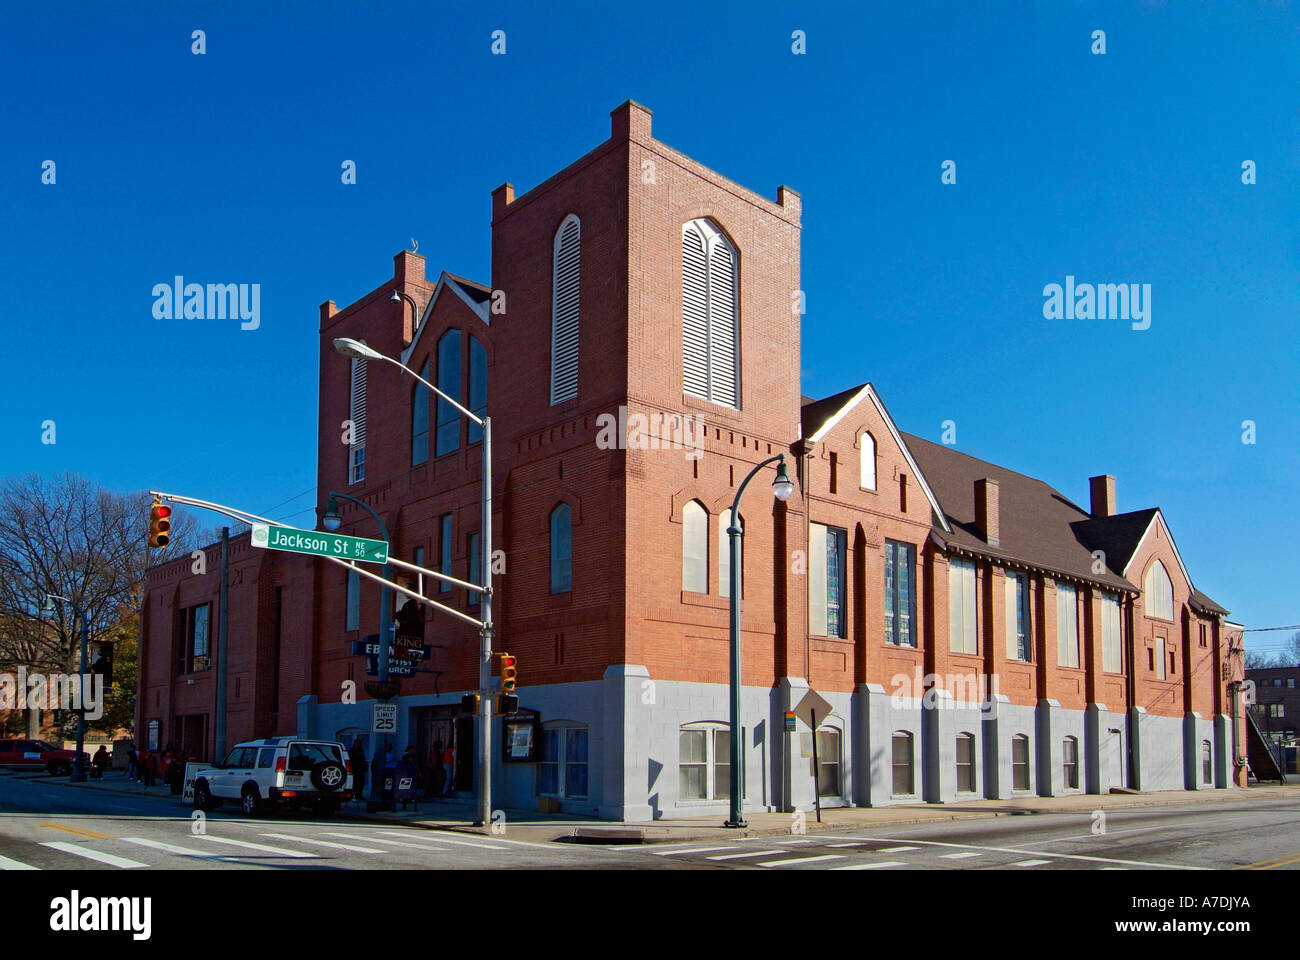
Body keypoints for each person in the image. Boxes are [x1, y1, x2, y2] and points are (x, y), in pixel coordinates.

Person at [348, 739, 367, 805]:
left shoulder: (361, 750)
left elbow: (363, 759)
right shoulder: (352, 751)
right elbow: (351, 761)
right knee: (355, 784)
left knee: (361, 783)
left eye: (359, 743)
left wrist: (364, 767)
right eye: (357, 743)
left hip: (361, 770)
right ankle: (355, 796)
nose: (359, 745)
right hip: (354, 770)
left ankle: (360, 795)